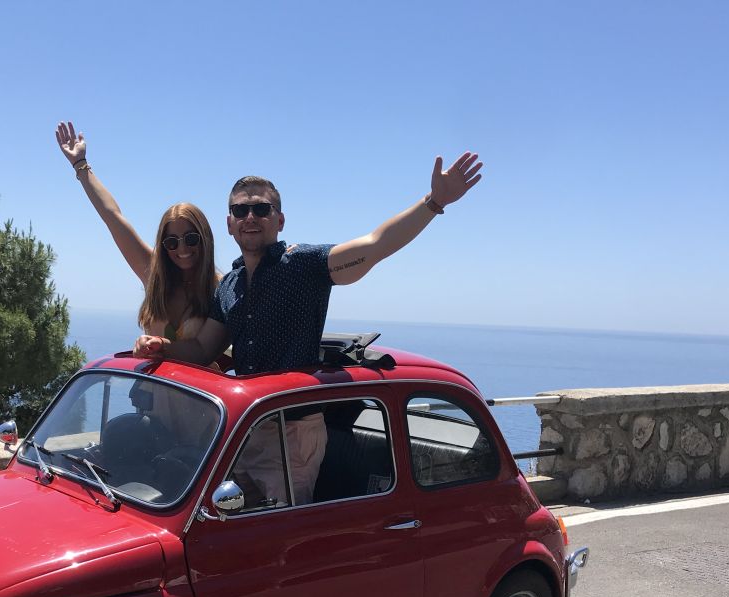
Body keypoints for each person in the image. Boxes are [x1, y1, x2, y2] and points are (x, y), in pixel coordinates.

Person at [133, 153, 484, 505]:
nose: (250, 217)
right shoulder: (229, 287)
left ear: (280, 219)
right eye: (241, 211)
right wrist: (161, 347)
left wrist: (433, 202)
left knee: (280, 526)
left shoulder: (304, 265)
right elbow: (201, 350)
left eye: (261, 209)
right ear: (229, 223)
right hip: (245, 428)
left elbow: (375, 245)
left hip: (294, 432)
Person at [55, 121, 218, 343]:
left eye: (190, 238)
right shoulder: (155, 275)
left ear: (205, 239)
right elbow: (113, 217)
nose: (182, 249)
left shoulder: (221, 287)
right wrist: (80, 164)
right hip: (152, 379)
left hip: (193, 380)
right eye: (171, 242)